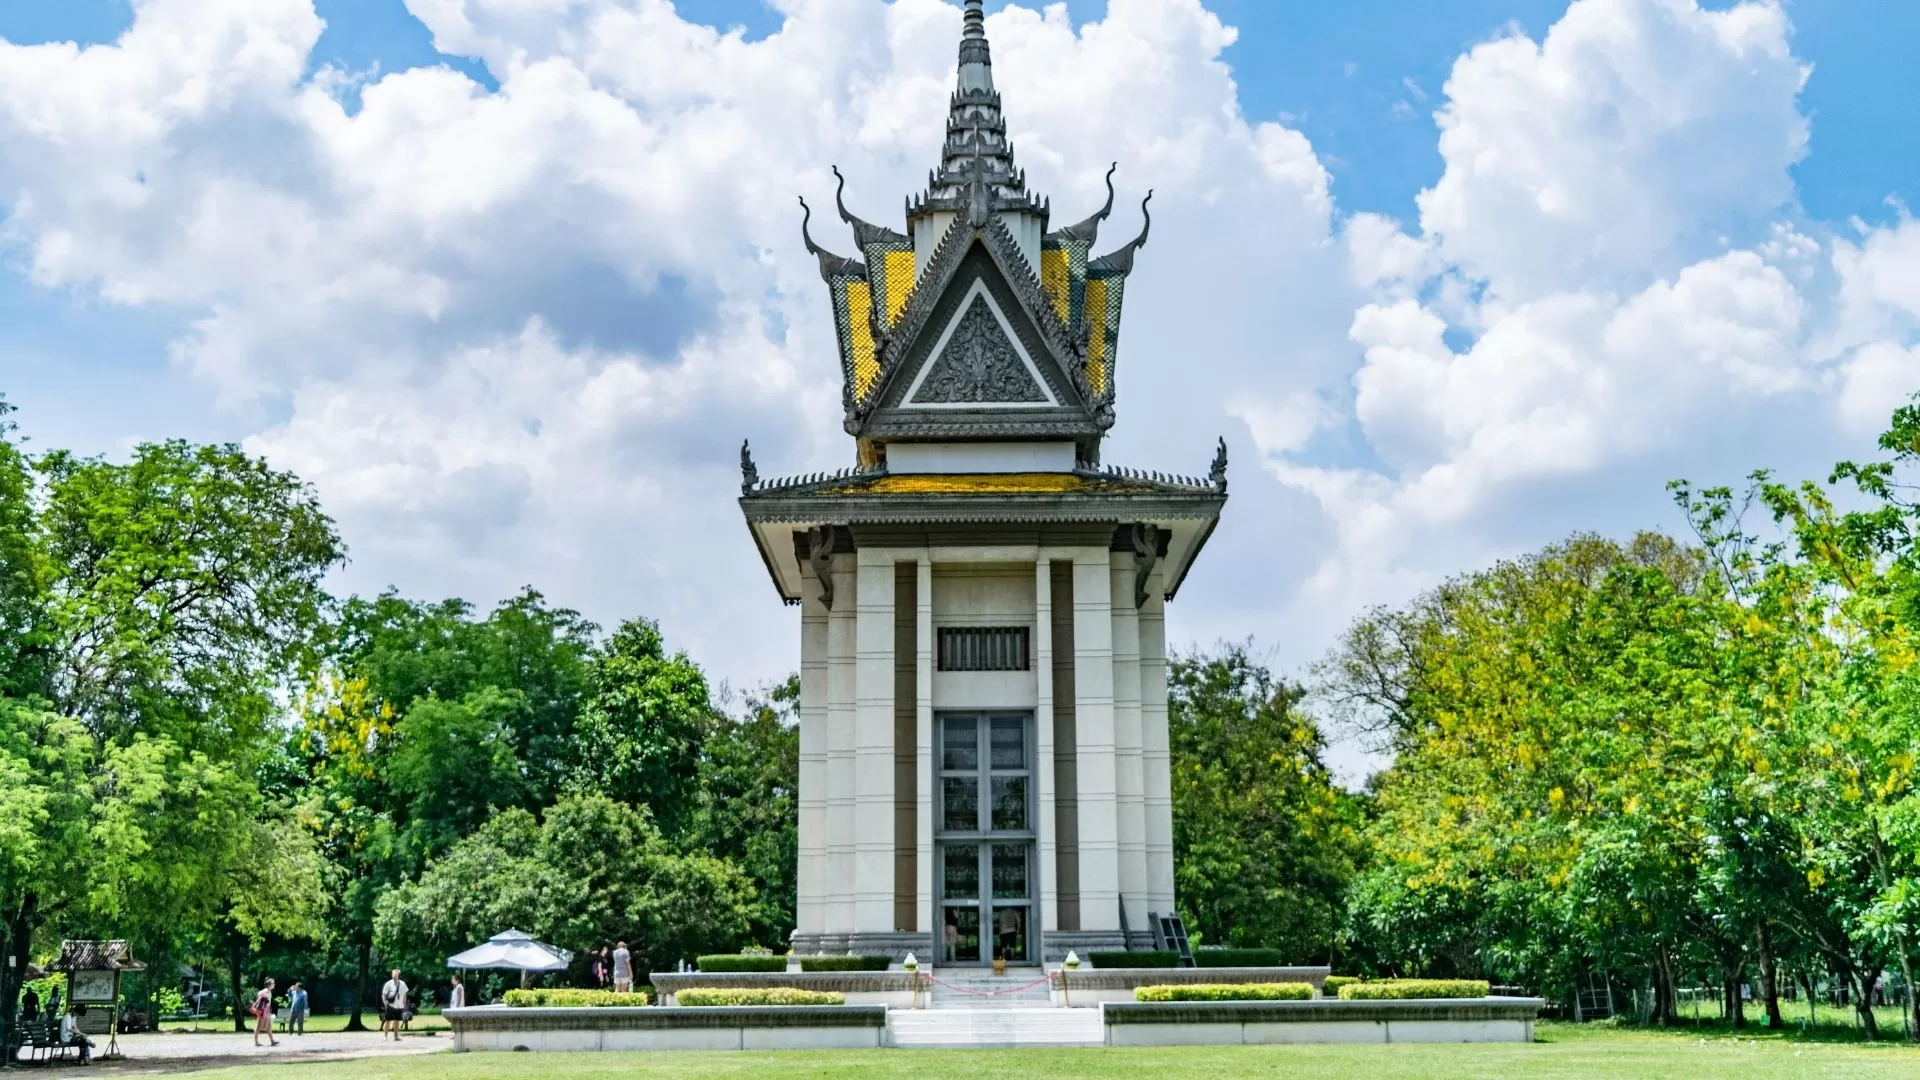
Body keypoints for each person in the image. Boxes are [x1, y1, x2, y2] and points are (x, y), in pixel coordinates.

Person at [379, 969, 409, 1040]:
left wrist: (404, 1003)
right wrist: (385, 1003)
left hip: (399, 1005)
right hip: (391, 1005)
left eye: (395, 974)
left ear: (398, 975)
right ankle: (385, 1036)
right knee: (388, 1020)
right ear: (392, 975)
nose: (394, 976)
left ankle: (396, 1036)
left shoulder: (403, 983)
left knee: (397, 1021)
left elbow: (405, 993)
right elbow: (384, 994)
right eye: (393, 974)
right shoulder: (388, 983)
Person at [251, 978, 279, 1047]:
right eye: (273, 983)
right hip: (263, 1011)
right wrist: (264, 998)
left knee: (269, 1025)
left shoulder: (269, 991)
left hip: (267, 1010)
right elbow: (259, 993)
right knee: (258, 1025)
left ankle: (272, 1041)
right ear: (269, 984)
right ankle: (256, 1042)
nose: (274, 984)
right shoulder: (266, 990)